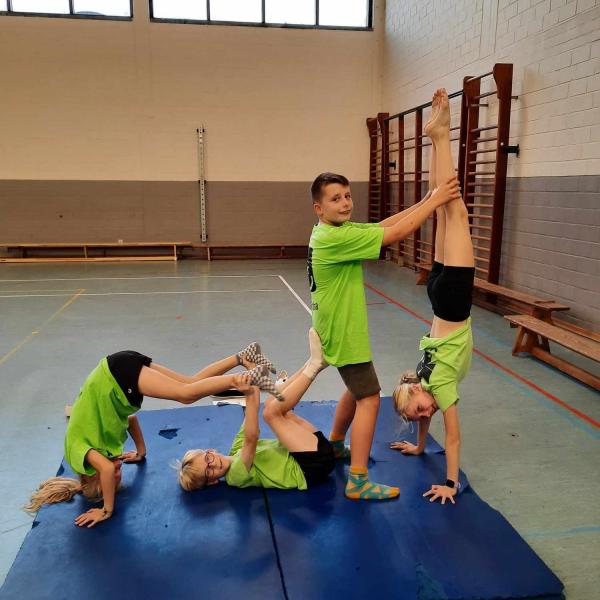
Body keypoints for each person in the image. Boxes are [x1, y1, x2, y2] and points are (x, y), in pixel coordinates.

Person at [308, 156, 461, 501]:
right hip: (343, 331)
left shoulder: (334, 231)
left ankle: (335, 444)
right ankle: (358, 481)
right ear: (319, 207)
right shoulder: (334, 238)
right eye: (335, 199)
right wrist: (437, 202)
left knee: (355, 388)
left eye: (347, 196)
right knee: (369, 398)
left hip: (334, 328)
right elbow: (394, 235)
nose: (345, 203)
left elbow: (381, 226)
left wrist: (425, 201)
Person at [25, 343, 280, 527]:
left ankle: (244, 379)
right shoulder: (98, 443)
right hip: (116, 367)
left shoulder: (78, 454)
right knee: (189, 383)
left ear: (92, 476)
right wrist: (141, 452)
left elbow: (105, 469)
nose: (117, 473)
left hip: (116, 376)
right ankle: (242, 356)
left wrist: (106, 510)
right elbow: (131, 420)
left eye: (113, 479)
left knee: (185, 395)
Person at [391, 88, 475, 505]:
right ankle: (438, 136)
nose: (426, 414)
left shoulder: (438, 387)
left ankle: (440, 136)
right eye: (421, 416)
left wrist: (451, 483)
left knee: (453, 208)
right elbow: (427, 414)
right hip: (439, 299)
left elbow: (454, 438)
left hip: (454, 301)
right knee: (443, 208)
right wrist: (420, 445)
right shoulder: (422, 381)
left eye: (418, 409)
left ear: (415, 394)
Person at [178, 329, 333, 492]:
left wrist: (251, 371)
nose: (214, 465)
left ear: (210, 451)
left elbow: (250, 414)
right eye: (208, 472)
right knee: (271, 413)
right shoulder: (235, 476)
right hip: (312, 467)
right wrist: (250, 392)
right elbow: (252, 437)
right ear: (212, 482)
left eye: (208, 459)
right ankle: (314, 366)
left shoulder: (236, 449)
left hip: (310, 450)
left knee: (272, 402)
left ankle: (313, 363)